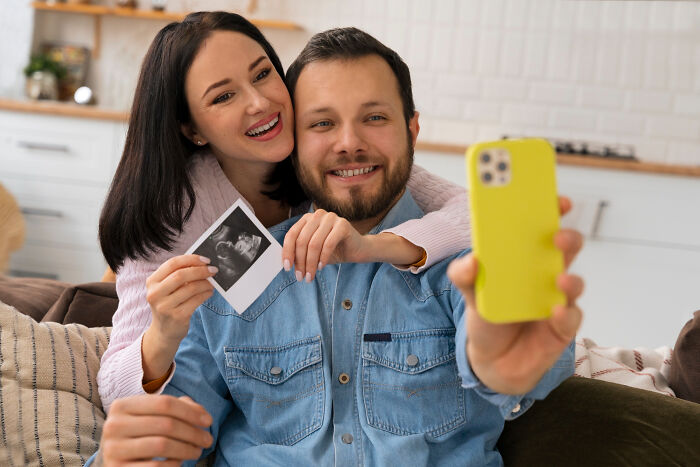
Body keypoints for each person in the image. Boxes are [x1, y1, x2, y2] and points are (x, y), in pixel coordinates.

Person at [89, 27, 584, 466]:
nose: (349, 143)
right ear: (293, 141)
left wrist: (498, 366)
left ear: (412, 128)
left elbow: (517, 346)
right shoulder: (235, 252)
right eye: (322, 123)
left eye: (374, 118)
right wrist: (129, 455)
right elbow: (167, 426)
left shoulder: (458, 256)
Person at [96, 12, 472, 411]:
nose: (260, 103)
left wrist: (379, 246)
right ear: (193, 129)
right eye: (224, 96)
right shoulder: (174, 212)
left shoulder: (327, 159)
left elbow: (478, 216)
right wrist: (163, 335)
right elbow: (116, 391)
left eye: (262, 74)